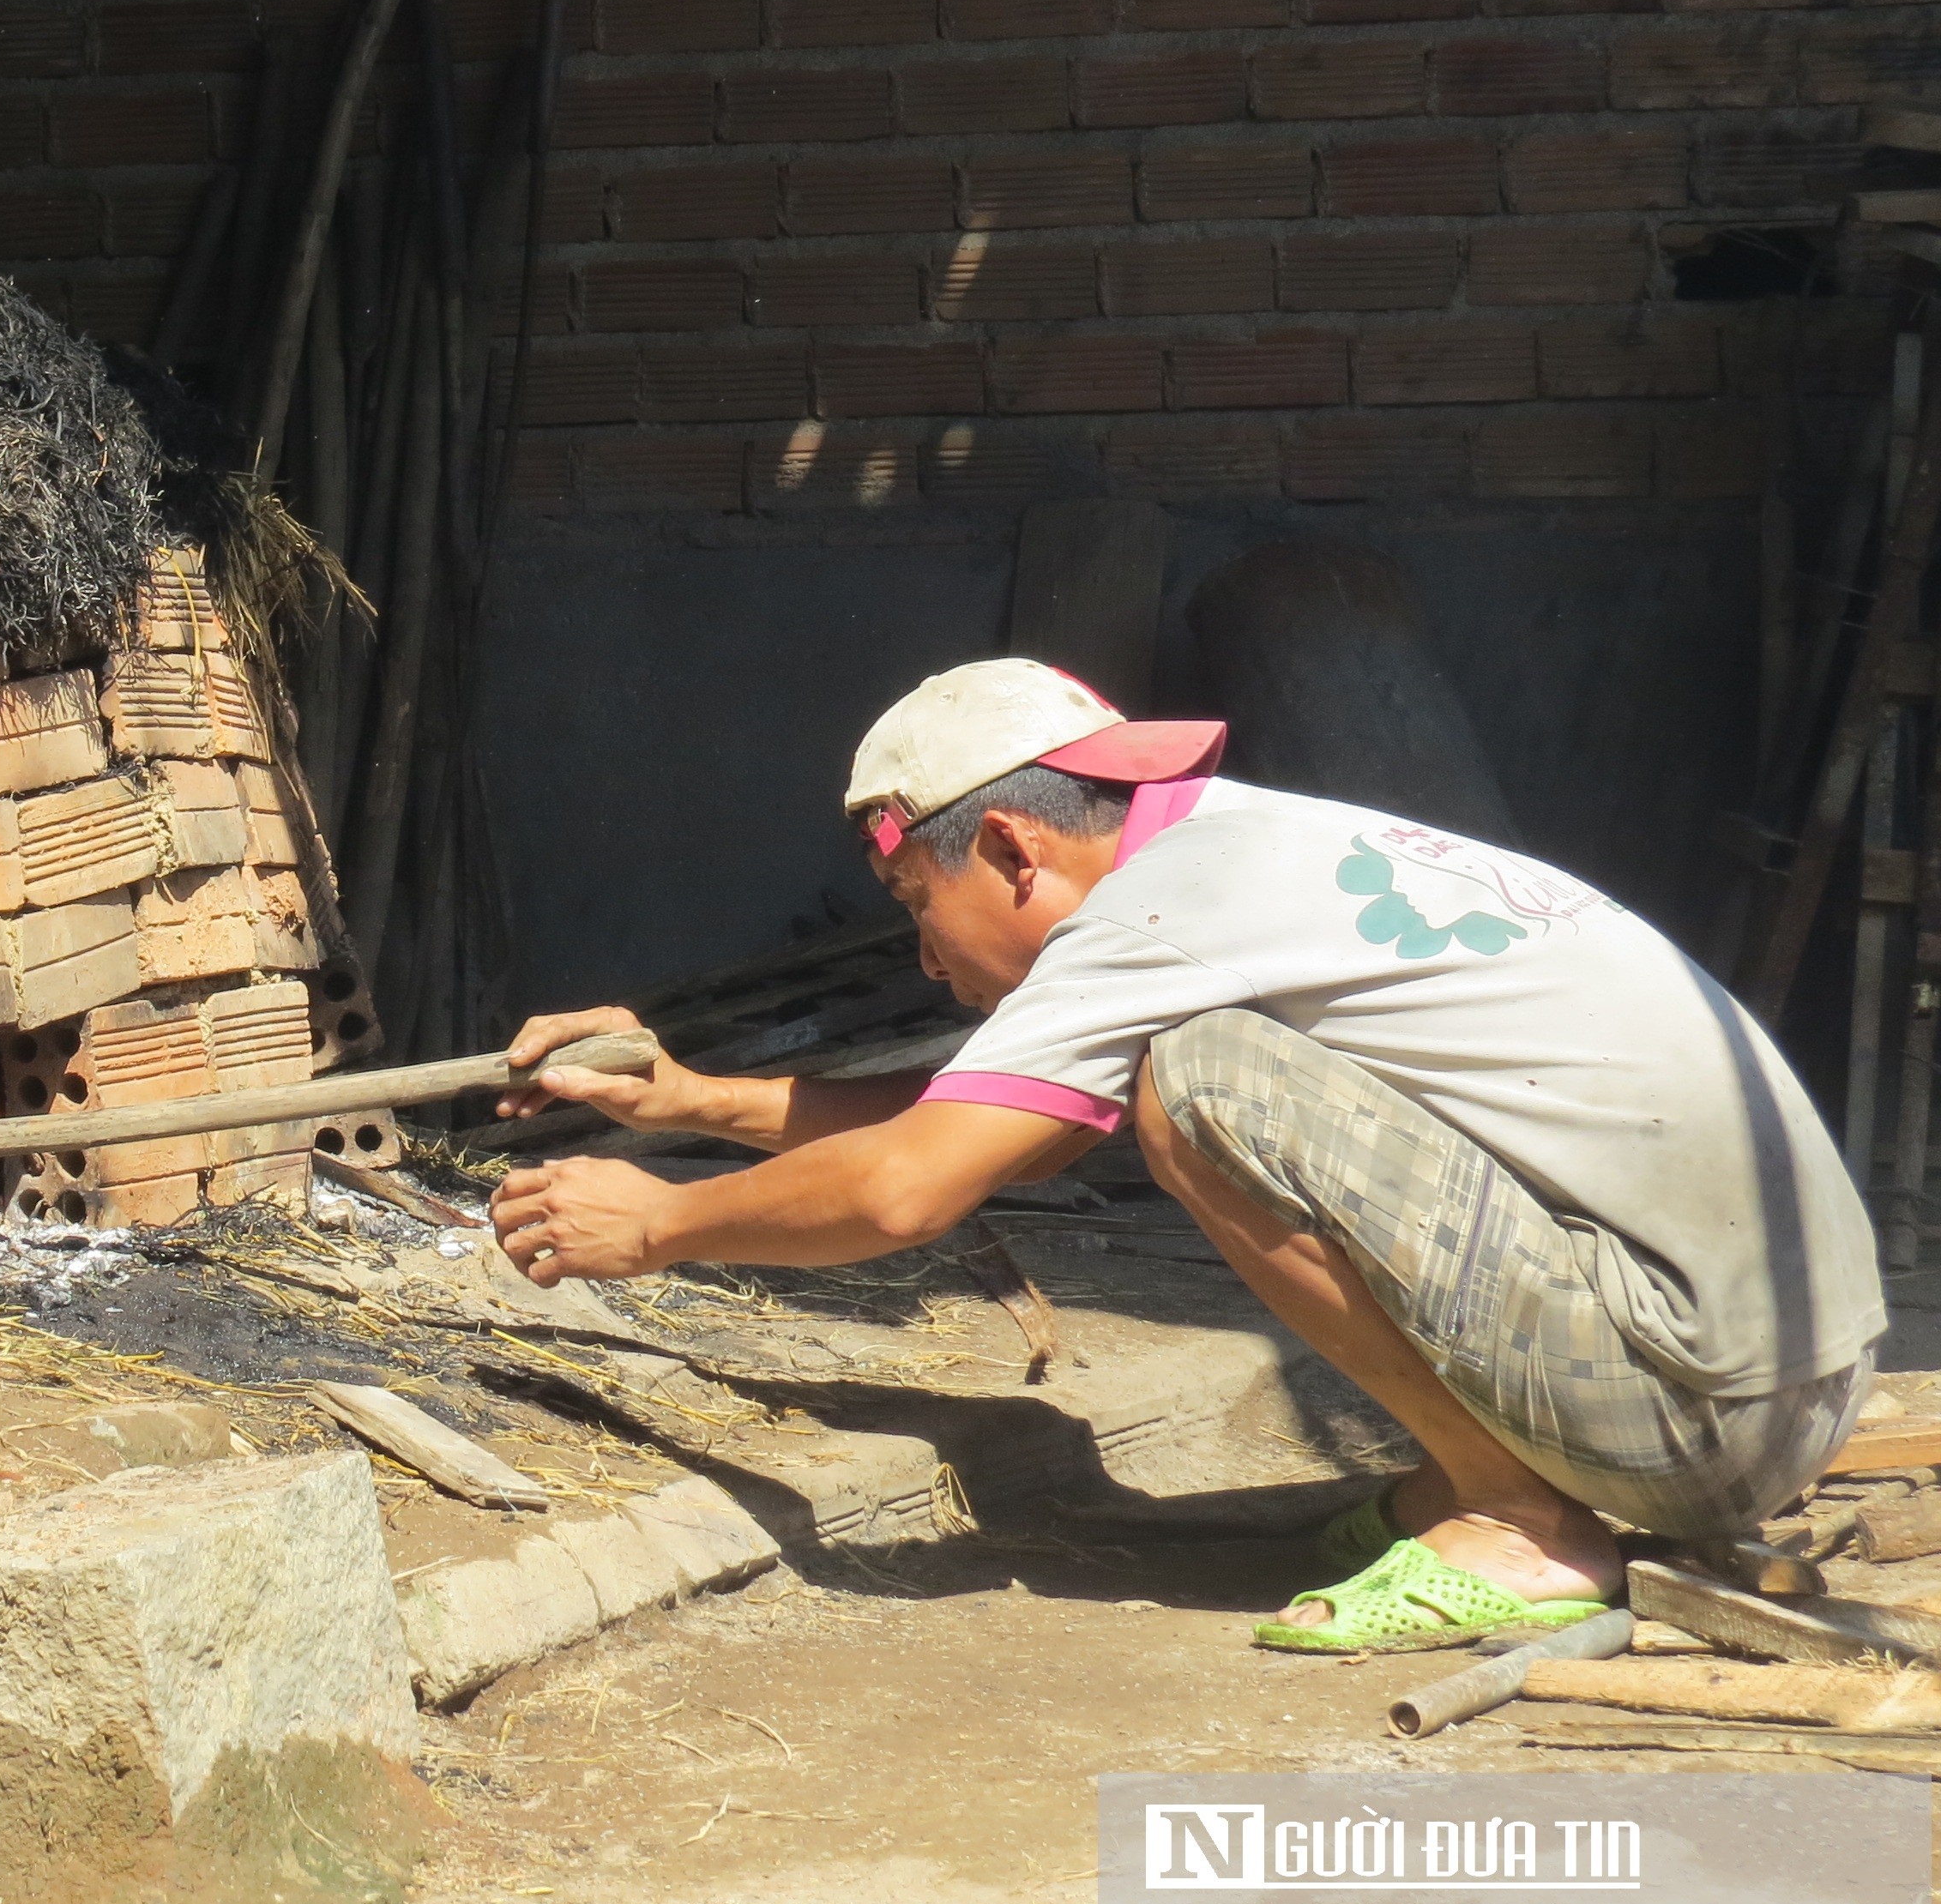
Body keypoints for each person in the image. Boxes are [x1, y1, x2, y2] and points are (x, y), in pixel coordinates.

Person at [489, 658, 1883, 1653]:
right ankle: (1494, 1482)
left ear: (1019, 851)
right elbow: (986, 1141)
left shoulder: (1157, 920)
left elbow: (917, 1185)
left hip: (1702, 1406)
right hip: (1779, 1383)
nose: (922, 952)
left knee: (1198, 1083)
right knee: (1187, 1076)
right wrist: (686, 1096)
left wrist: (657, 1227)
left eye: (922, 900)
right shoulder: (1235, 857)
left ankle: (1524, 1522)